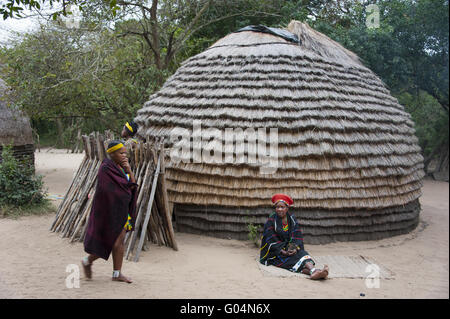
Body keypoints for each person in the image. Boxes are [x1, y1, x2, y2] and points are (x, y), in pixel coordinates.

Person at [81, 140, 138, 283]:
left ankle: (116, 273)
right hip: (110, 211)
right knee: (112, 241)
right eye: (121, 153)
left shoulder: (121, 168)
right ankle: (87, 260)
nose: (124, 156)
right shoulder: (106, 168)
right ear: (112, 154)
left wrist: (129, 170)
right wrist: (124, 191)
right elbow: (107, 191)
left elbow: (131, 185)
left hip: (122, 210)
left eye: (125, 153)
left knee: (119, 241)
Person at [260, 193, 329, 280]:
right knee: (294, 259)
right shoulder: (271, 220)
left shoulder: (292, 219)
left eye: (282, 207)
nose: (279, 209)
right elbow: (270, 239)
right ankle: (316, 271)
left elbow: (296, 236)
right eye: (277, 207)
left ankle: (313, 272)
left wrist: (293, 248)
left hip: (289, 248)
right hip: (275, 252)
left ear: (287, 208)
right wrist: (283, 251)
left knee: (302, 254)